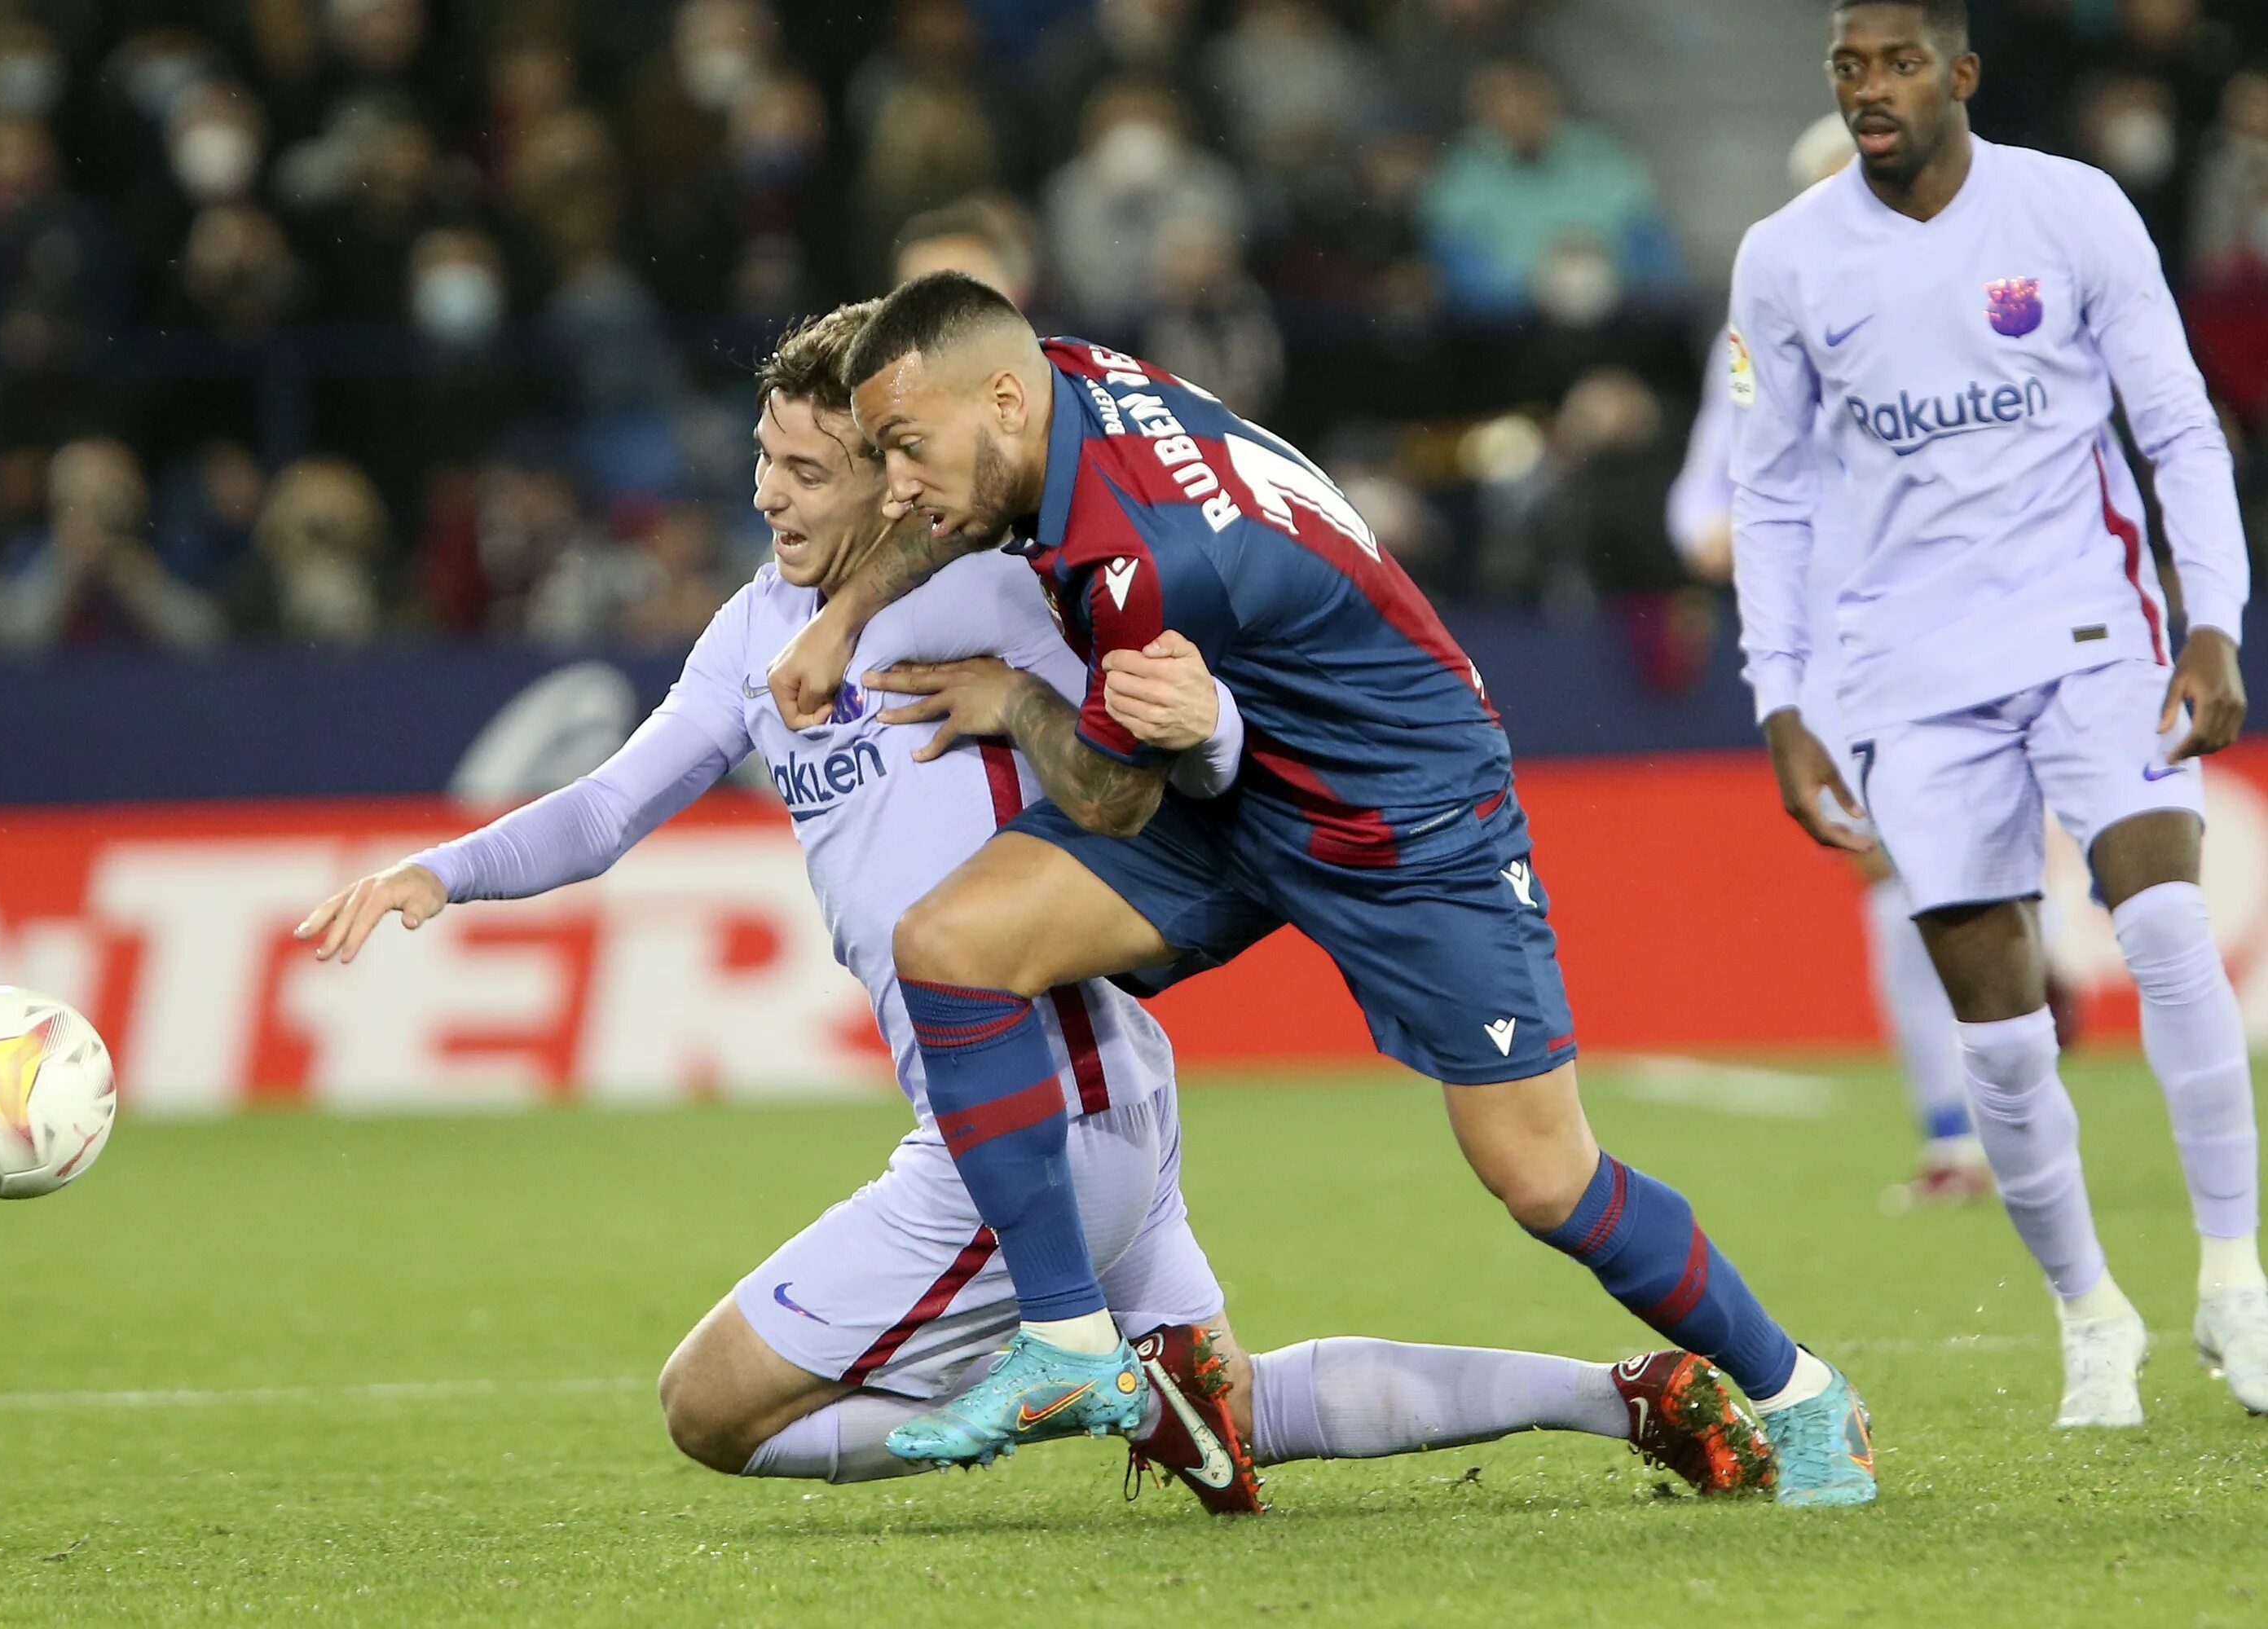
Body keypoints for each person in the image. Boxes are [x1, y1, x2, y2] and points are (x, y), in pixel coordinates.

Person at [294, 304, 1775, 1514]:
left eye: (812, 471)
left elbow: (1189, 755)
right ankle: (1621, 1398)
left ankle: (1093, 1383)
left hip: (1026, 1113)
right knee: (1235, 1406)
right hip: (1086, 1088)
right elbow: (609, 806)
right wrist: (441, 872)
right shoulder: (754, 634)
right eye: (764, 461)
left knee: (706, 1411)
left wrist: (1155, 723)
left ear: (897, 474)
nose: (769, 495)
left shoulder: (1012, 590)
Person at [763, 273, 1876, 1507]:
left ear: (1007, 399)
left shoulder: (1147, 561)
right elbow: (958, 514)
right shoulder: (1057, 384)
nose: (897, 485)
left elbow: (1118, 798)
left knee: (1543, 1176)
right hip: (1242, 785)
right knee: (954, 943)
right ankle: (1073, 1344)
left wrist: (1019, 699)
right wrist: (837, 622)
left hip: (1405, 816)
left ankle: (1803, 1396)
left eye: (904, 449)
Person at [1729, 0, 2266, 1428]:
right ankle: (2092, 1316)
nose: (1871, 89)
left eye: (1899, 62)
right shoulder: (1786, 261)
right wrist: (1781, 701)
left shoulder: (2071, 209)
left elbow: (2174, 425)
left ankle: (2236, 1281)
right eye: (1849, 67)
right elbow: (1769, 496)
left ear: (1962, 73)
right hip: (1908, 673)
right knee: (2005, 1032)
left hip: (2093, 633)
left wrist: (2212, 619)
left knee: (2162, 930)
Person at [1670, 112, 1991, 1209]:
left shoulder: (1950, 327)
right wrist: (1706, 529)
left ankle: (1982, 1116)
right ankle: (1964, 1126)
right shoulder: (1756, 342)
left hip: (1952, 625)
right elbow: (1706, 477)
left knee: (1939, 873)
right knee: (1899, 873)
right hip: (1828, 651)